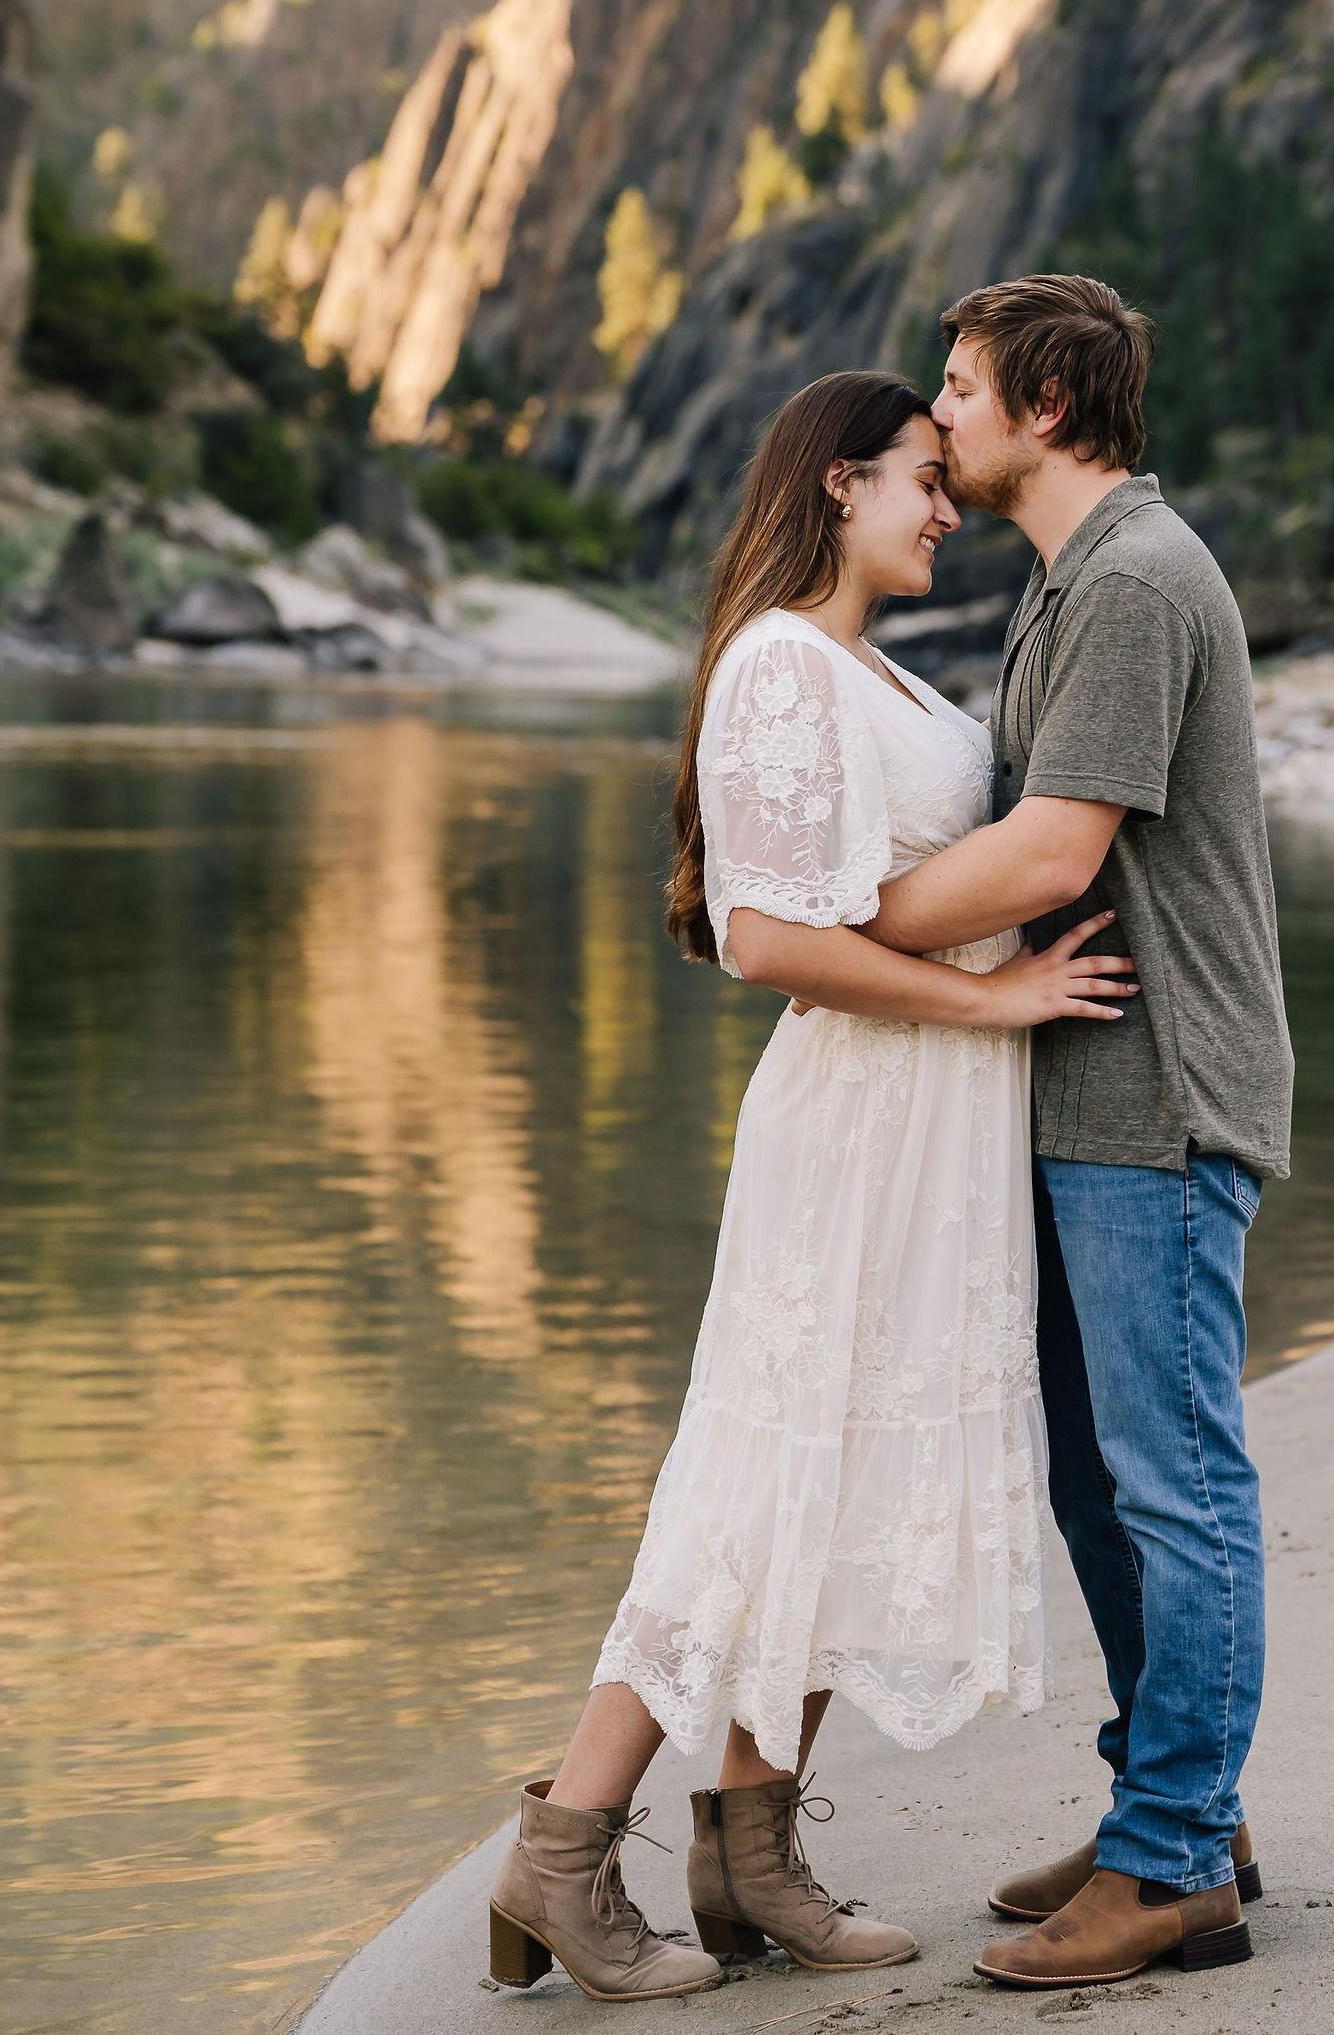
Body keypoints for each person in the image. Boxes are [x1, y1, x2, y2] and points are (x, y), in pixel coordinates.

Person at [486, 370, 1139, 2003]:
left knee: (838, 1494)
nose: (946, 506)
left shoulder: (866, 668)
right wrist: (998, 998)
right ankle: (561, 1855)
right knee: (755, 1485)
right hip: (859, 1125)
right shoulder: (781, 667)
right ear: (838, 486)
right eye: (924, 478)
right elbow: (768, 937)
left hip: (935, 1131)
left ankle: (750, 1855)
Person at [855, 274, 1295, 1989]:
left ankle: (1176, 1864)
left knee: (1174, 1487)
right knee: (1096, 1478)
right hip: (1089, 1091)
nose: (936, 418)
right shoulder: (1072, 579)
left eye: (959, 389)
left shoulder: (1134, 579)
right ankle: (1180, 1812)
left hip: (1162, 1094)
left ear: (1044, 405)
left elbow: (1049, 856)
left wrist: (835, 920)